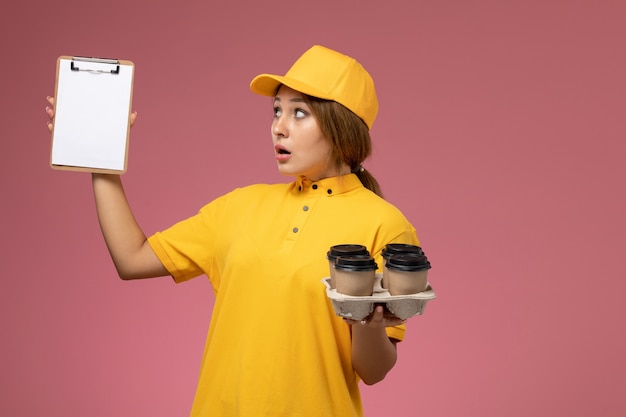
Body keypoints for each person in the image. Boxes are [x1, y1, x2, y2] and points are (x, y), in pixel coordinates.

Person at [46, 45, 423, 417]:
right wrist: (101, 158)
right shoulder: (240, 206)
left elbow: (373, 372)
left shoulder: (385, 224)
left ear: (342, 125)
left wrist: (371, 324)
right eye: (277, 111)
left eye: (299, 113)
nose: (279, 126)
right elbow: (131, 259)